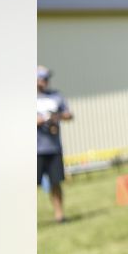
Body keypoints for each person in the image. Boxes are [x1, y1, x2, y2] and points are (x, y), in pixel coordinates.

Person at [36, 65, 73, 223]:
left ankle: (59, 215)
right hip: (35, 149)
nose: (45, 81)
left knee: (55, 182)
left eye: (46, 78)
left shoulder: (56, 96)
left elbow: (69, 114)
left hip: (53, 147)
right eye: (42, 78)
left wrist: (56, 117)